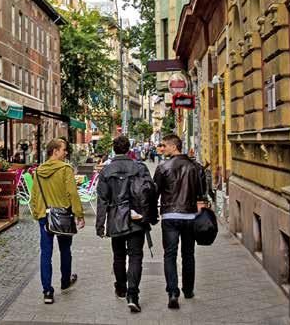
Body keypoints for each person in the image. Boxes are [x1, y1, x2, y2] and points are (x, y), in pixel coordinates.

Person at [95, 136, 156, 313]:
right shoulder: (140, 167)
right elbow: (151, 192)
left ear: (114, 149)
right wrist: (150, 216)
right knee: (136, 256)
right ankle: (133, 295)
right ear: (129, 149)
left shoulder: (106, 171)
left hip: (115, 218)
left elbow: (102, 200)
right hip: (136, 218)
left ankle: (121, 288)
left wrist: (100, 225)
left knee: (119, 256)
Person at [153, 134, 205, 309]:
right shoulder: (195, 167)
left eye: (164, 145)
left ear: (174, 147)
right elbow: (201, 192)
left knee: (170, 255)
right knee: (188, 254)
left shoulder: (162, 167)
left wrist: (152, 215)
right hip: (190, 216)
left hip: (169, 216)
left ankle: (173, 292)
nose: (162, 148)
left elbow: (155, 194)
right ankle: (188, 290)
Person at [30, 138, 85, 304]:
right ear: (55, 151)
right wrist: (79, 214)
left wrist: (38, 214)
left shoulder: (39, 170)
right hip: (62, 216)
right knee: (65, 250)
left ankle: (47, 291)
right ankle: (65, 281)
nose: (66, 152)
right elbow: (73, 194)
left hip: (44, 216)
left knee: (45, 253)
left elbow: (34, 196)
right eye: (63, 149)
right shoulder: (65, 169)